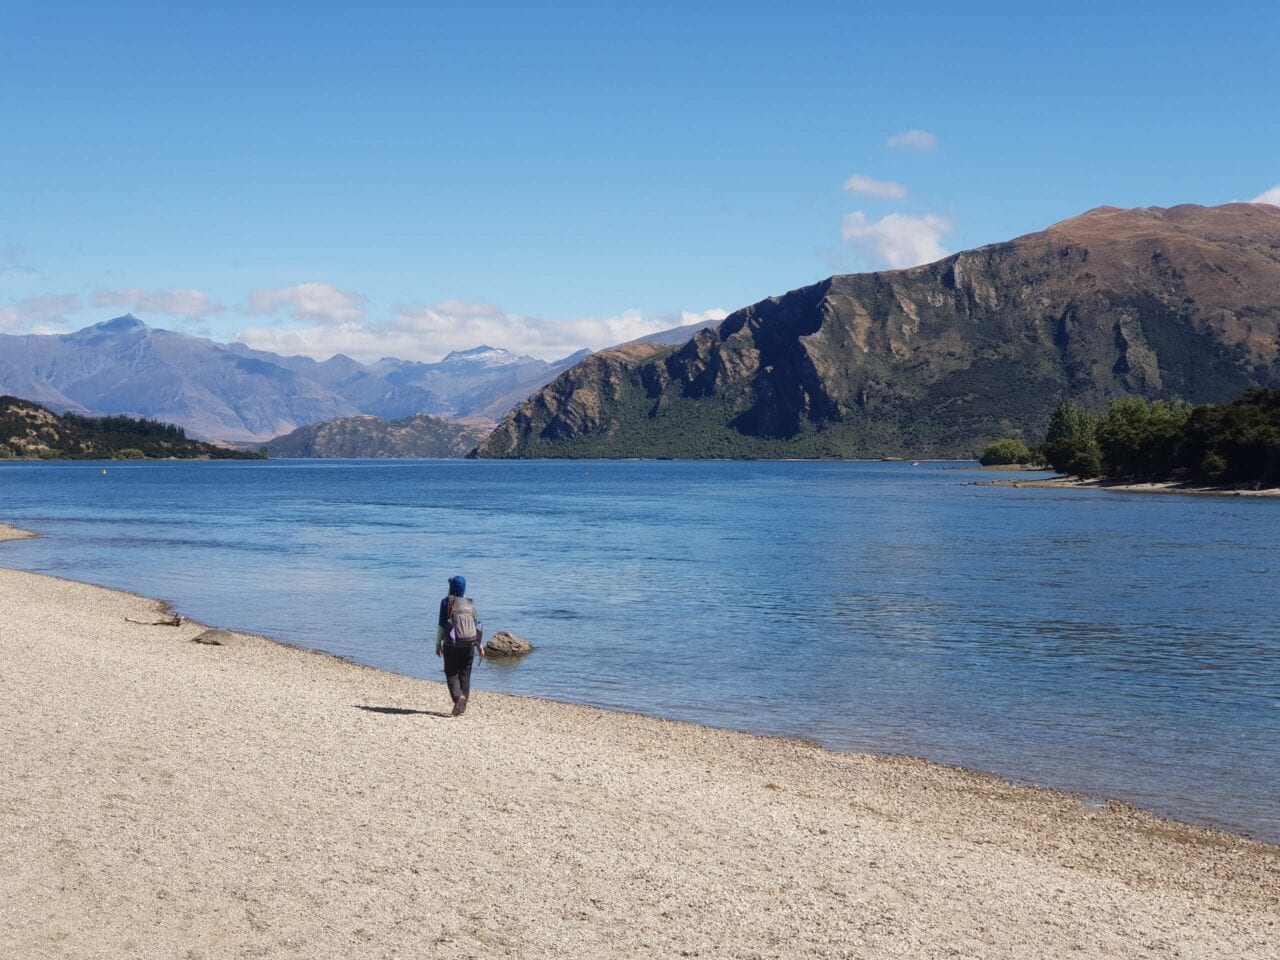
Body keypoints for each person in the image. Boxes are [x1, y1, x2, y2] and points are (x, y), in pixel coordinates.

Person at [436, 575, 485, 716]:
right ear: (464, 588)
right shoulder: (470, 602)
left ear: (451, 587)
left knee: (451, 672)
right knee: (465, 673)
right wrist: (480, 645)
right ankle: (463, 703)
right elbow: (477, 625)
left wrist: (437, 644)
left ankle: (459, 698)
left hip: (451, 644)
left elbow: (441, 625)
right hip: (469, 642)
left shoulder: (446, 602)